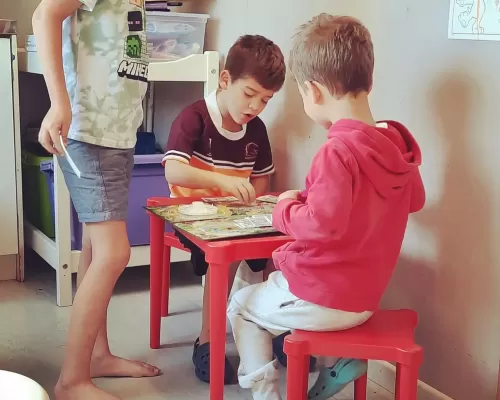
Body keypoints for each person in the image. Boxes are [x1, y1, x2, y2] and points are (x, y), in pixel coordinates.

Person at [227, 14, 426, 400]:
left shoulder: (337, 149)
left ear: (313, 91)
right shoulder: (394, 145)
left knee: (241, 306)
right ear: (368, 81)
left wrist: (283, 209)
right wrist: (308, 198)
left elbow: (321, 225)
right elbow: (412, 199)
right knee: (277, 296)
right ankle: (331, 367)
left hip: (322, 297)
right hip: (366, 299)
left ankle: (267, 396)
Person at [32, 0, 159, 399]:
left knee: (95, 245)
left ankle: (98, 356)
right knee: (113, 252)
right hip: (88, 133)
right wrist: (58, 103)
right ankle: (71, 381)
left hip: (117, 135)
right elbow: (45, 14)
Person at [163, 34, 286, 384]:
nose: (255, 107)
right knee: (227, 255)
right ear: (225, 80)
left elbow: (261, 182)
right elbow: (173, 170)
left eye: (266, 100)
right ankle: (207, 339)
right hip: (190, 215)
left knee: (274, 248)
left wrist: (256, 205)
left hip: (234, 216)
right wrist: (222, 184)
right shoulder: (194, 117)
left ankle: (264, 332)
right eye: (249, 95)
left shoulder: (257, 130)